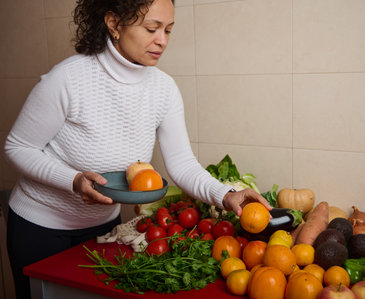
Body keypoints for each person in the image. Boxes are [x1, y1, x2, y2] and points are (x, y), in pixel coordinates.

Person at [3, 0, 271, 298]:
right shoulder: (67, 79)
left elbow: (181, 163)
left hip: (103, 228)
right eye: (151, 28)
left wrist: (225, 195)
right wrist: (73, 181)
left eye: (168, 30)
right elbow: (18, 147)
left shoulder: (164, 89)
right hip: (40, 227)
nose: (162, 41)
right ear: (114, 24)